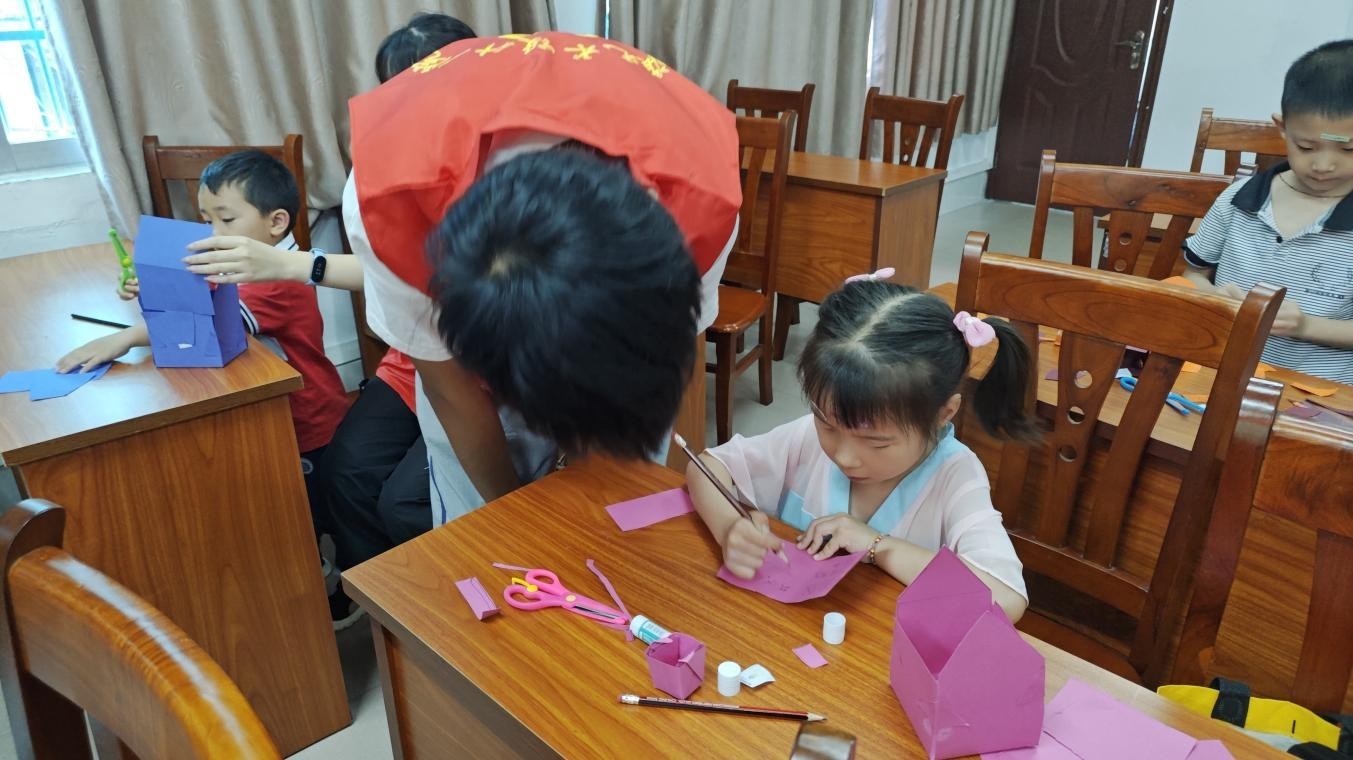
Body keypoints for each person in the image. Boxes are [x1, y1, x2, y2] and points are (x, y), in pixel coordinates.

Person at [344, 31, 742, 525]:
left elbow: (676, 356)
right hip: (472, 392)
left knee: (616, 520)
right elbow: (450, 388)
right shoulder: (392, 201)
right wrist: (517, 519)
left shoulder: (702, 196)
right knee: (488, 537)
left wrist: (600, 479)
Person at [687, 273, 1034, 621]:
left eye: (876, 443)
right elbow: (705, 467)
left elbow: (1007, 599)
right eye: (827, 424)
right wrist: (729, 527)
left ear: (943, 413)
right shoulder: (807, 438)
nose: (844, 456)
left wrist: (878, 545)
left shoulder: (955, 475)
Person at [60, 150, 350, 565]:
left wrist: (127, 338)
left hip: (308, 421)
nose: (211, 232)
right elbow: (196, 300)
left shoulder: (279, 281)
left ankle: (335, 575)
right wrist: (149, 287)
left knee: (314, 513)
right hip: (273, 409)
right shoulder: (237, 264)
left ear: (275, 223)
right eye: (205, 219)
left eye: (226, 220)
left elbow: (214, 323)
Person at [1182, 39, 1353, 384]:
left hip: (1319, 391)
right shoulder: (1239, 199)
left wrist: (1304, 325)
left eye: (1349, 150)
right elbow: (1192, 275)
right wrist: (1215, 299)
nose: (1323, 165)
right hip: (1220, 373)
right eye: (1306, 147)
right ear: (1282, 127)